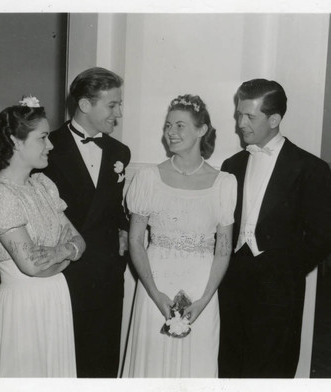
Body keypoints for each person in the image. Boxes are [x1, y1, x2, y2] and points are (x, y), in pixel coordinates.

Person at [218, 79, 331, 378]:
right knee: (230, 364)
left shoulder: (309, 167)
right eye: (238, 114)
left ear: (274, 120)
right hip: (232, 282)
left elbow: (326, 234)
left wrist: (286, 270)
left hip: (279, 287)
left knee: (272, 369)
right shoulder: (231, 164)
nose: (240, 123)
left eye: (249, 116)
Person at [122, 94, 237, 377]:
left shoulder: (224, 183)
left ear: (202, 130)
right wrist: (155, 293)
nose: (170, 132)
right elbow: (136, 241)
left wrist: (205, 299)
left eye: (180, 126)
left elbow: (223, 248)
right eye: (168, 125)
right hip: (155, 283)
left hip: (201, 287)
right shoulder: (148, 178)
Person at [0, 96, 86, 377]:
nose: (50, 145)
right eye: (43, 137)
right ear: (15, 141)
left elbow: (80, 241)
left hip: (56, 297)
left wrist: (59, 252)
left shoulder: (42, 185)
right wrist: (68, 252)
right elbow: (33, 267)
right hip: (23, 305)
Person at [44, 67, 131, 378]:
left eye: (119, 104)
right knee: (65, 358)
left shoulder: (120, 152)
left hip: (107, 272)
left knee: (103, 358)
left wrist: (123, 235)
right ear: (84, 105)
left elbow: (113, 206)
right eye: (112, 105)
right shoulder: (46, 148)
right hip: (66, 271)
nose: (118, 113)